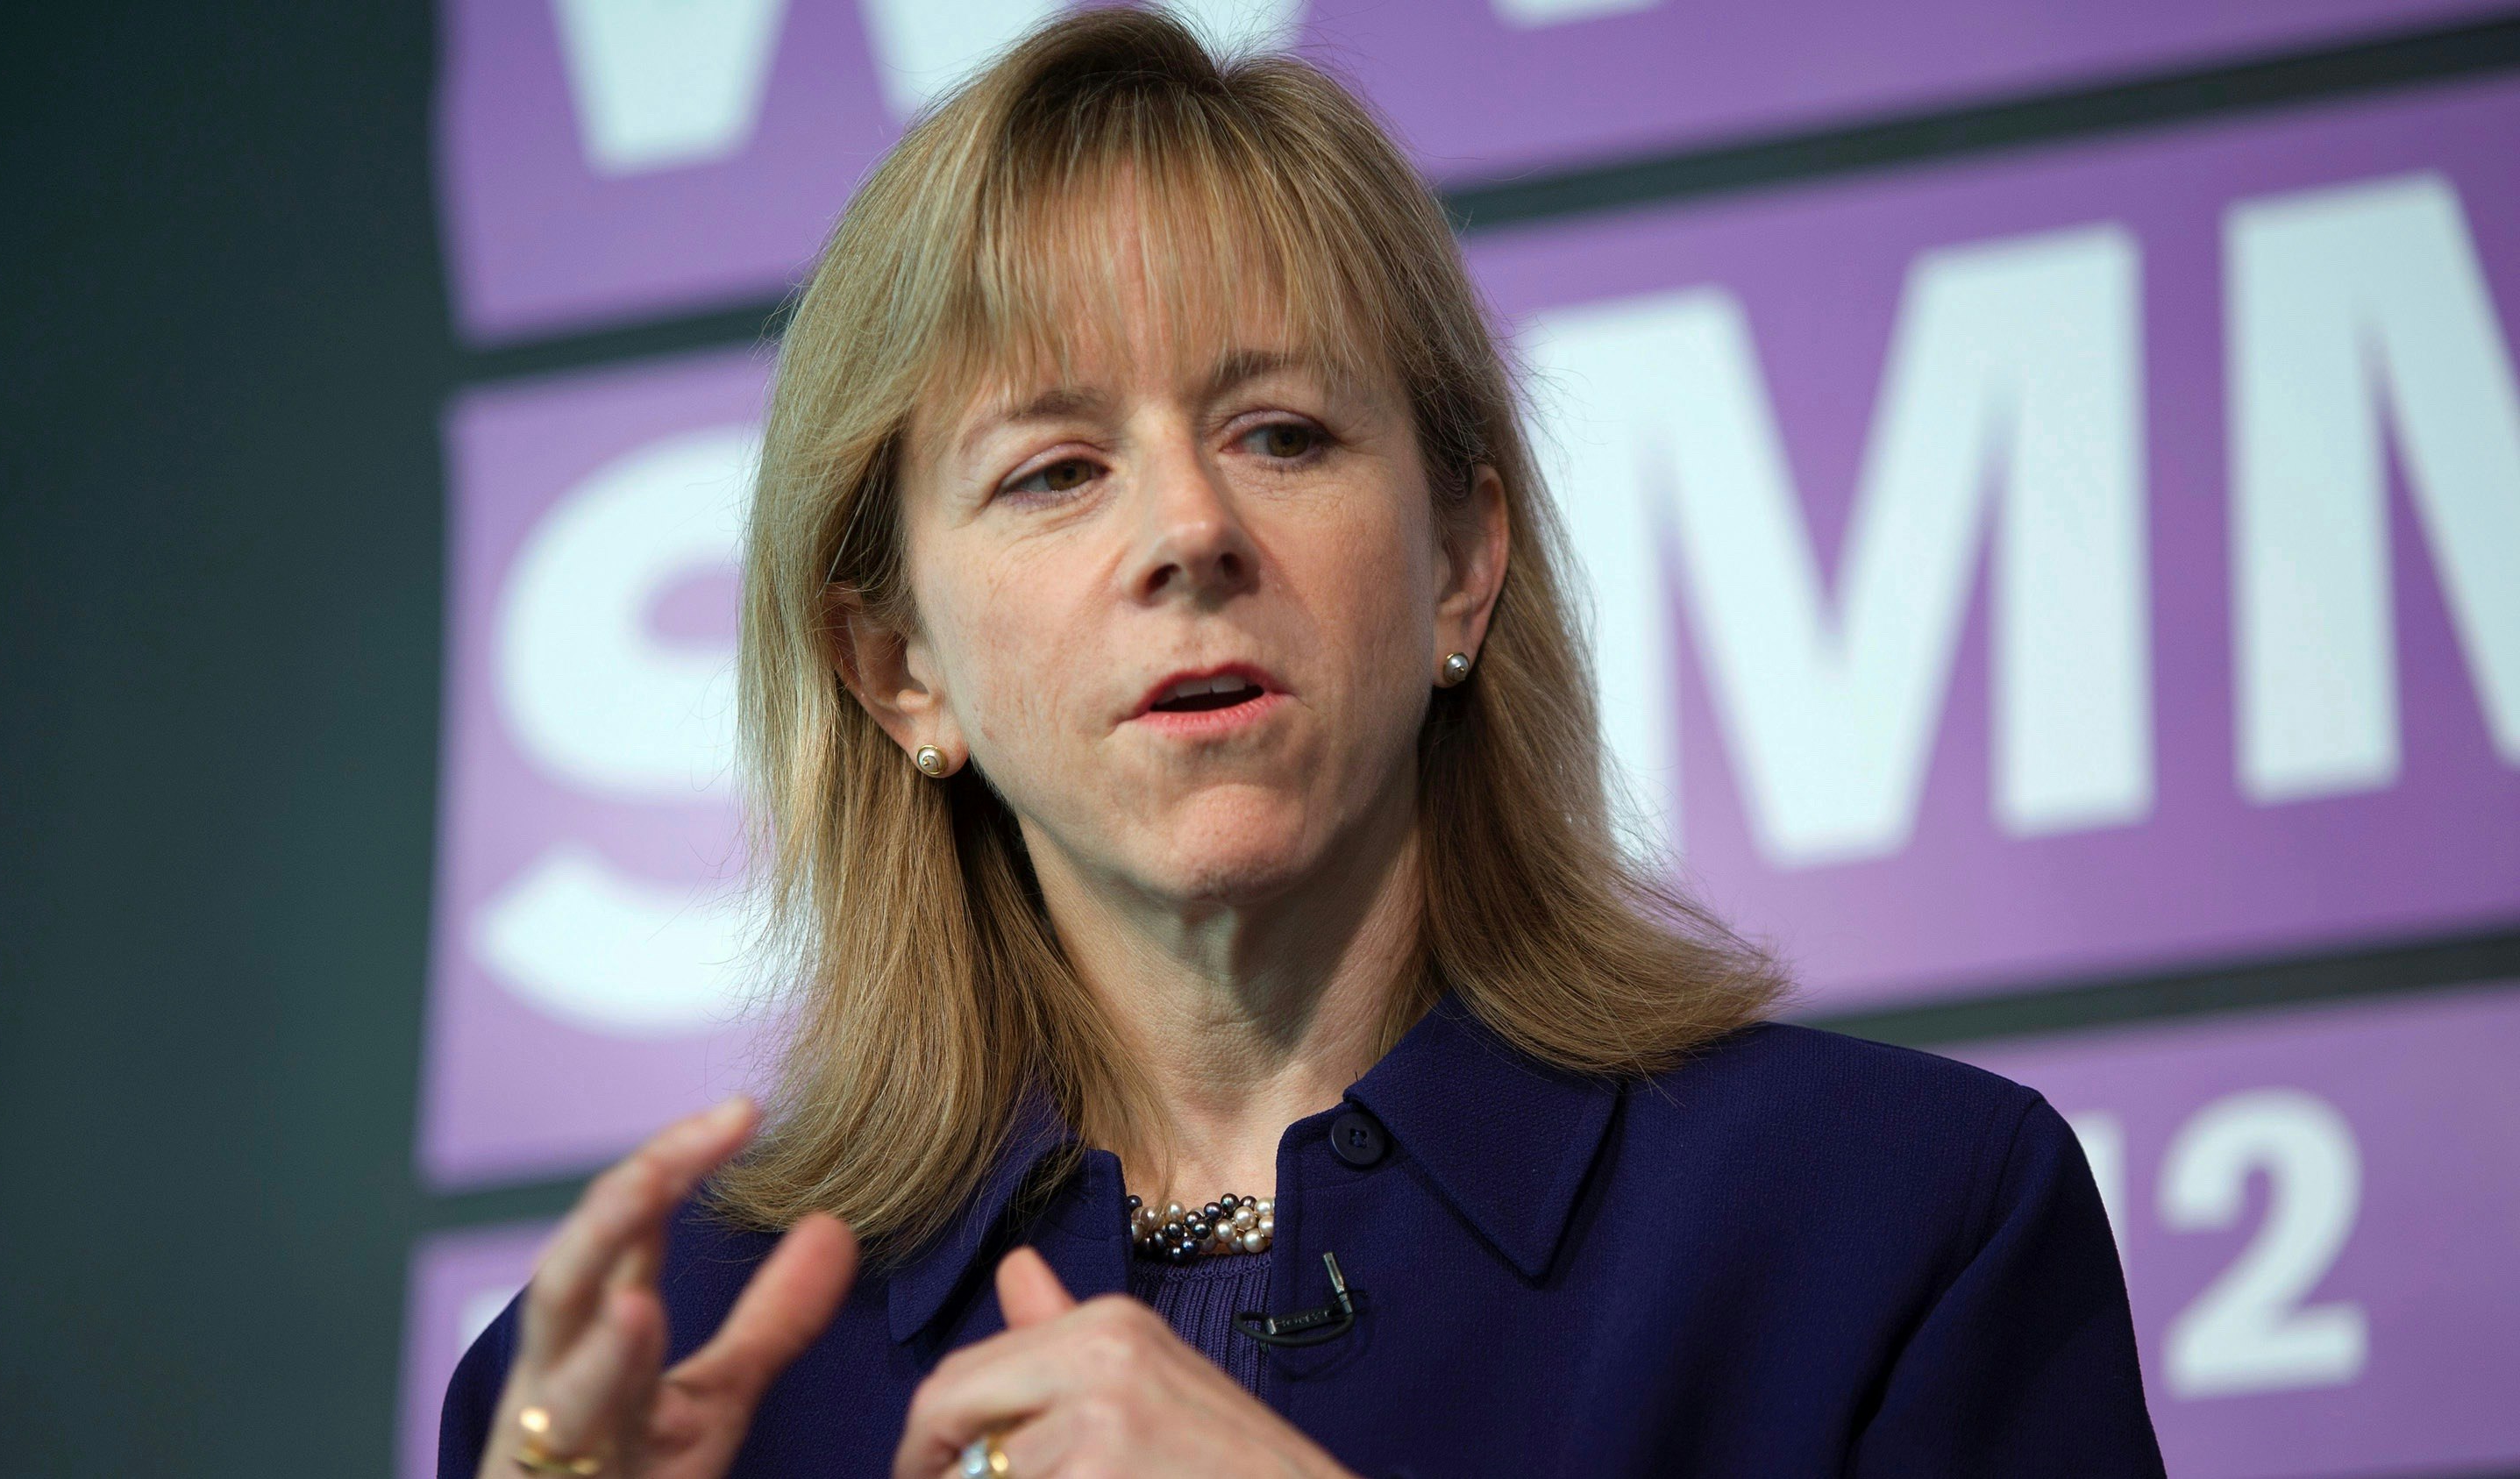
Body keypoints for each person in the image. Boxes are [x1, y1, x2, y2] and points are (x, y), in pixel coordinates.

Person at [438, 9, 2166, 1476]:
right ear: (901, 671)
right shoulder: (659, 1377)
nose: (1188, 528)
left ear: (1462, 566)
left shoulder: (1898, 1226)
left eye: (1279, 431)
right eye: (1056, 468)